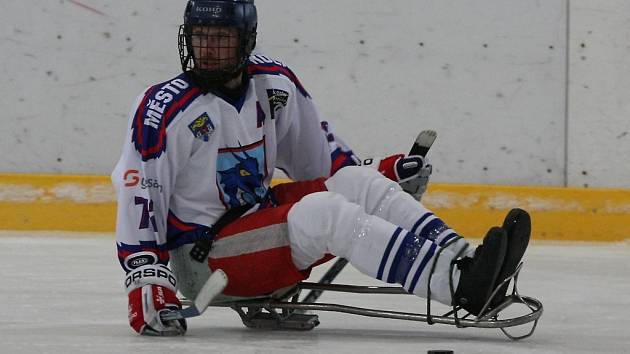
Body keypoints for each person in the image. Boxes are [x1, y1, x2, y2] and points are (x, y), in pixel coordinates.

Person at [112, 0, 531, 336]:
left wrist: (383, 175)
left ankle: (468, 265)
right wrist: (147, 278)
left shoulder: (273, 84)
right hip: (203, 258)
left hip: (255, 226)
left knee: (354, 182)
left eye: (220, 38)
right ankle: (459, 288)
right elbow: (139, 193)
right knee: (323, 214)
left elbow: (325, 164)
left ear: (246, 40)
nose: (207, 49)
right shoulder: (163, 109)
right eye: (200, 36)